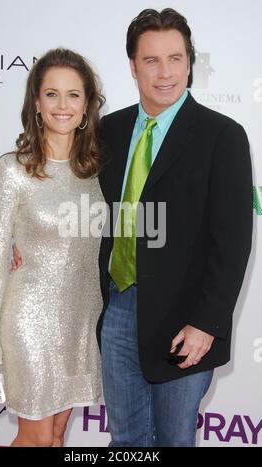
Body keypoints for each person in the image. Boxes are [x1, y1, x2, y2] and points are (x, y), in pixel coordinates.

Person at [96, 8, 253, 446]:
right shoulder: (110, 130)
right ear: (132, 65)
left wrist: (206, 322)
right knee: (125, 440)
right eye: (151, 60)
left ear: (189, 62)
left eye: (175, 59)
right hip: (118, 307)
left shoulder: (222, 136)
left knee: (172, 439)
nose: (165, 73)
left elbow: (234, 240)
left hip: (185, 321)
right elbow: (89, 210)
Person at [0, 48, 105, 447]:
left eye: (73, 95)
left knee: (58, 434)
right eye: (51, 94)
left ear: (86, 107)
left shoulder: (98, 172)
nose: (62, 105)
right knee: (35, 436)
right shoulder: (14, 169)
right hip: (29, 321)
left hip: (82, 324)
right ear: (36, 103)